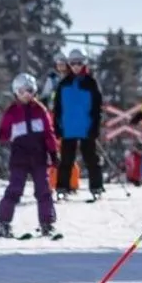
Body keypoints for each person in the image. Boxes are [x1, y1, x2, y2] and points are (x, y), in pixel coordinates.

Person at [0, 73, 60, 238]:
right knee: (14, 190)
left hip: (39, 157)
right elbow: (4, 133)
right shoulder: (11, 112)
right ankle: (3, 223)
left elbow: (49, 133)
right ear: (16, 92)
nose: (26, 95)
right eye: (22, 91)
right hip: (20, 158)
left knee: (44, 191)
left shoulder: (40, 110)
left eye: (29, 91)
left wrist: (53, 153)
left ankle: (47, 223)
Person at [51, 48, 105, 200]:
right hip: (68, 128)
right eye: (73, 63)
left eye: (79, 63)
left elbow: (97, 107)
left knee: (91, 159)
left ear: (84, 63)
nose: (76, 66)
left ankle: (96, 187)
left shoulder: (91, 83)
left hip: (87, 128)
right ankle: (62, 187)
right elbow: (58, 107)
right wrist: (56, 125)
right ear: (69, 64)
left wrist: (95, 126)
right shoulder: (63, 84)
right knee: (66, 160)